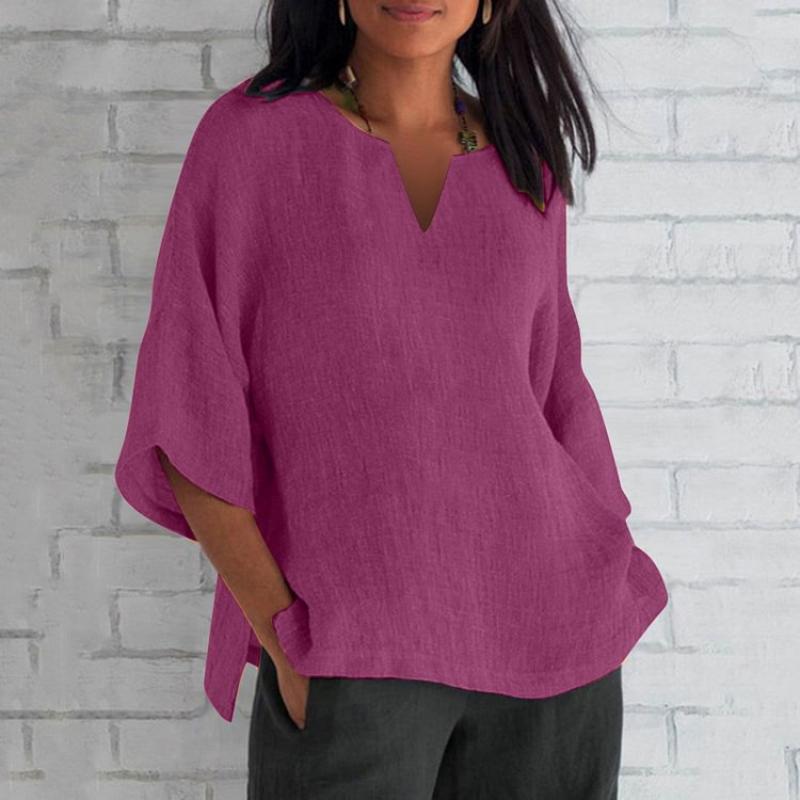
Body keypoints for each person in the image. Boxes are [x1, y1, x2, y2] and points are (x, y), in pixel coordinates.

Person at [114, 0, 669, 797]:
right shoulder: (251, 143)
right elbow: (187, 412)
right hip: (355, 655)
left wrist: (604, 559)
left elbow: (553, 389)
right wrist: (286, 639)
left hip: (555, 644)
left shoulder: (526, 162)